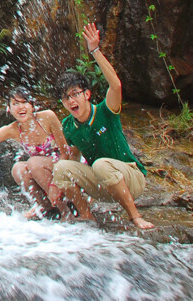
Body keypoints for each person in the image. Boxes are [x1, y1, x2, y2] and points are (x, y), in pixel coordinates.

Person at [52, 22, 155, 230]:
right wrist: (57, 186)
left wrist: (95, 50)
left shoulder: (105, 111)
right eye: (66, 98)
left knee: (100, 164)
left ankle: (135, 217)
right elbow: (73, 157)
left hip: (131, 177)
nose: (71, 101)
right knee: (61, 168)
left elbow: (116, 85)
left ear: (87, 94)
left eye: (75, 94)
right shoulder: (69, 126)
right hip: (103, 183)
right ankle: (87, 216)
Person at [0, 89, 74, 219]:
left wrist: (55, 185)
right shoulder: (13, 129)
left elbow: (65, 152)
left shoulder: (47, 117)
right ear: (9, 109)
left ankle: (64, 209)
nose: (20, 107)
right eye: (15, 104)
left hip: (62, 168)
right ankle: (45, 207)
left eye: (24, 102)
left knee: (33, 163)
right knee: (18, 169)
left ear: (32, 106)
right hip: (39, 171)